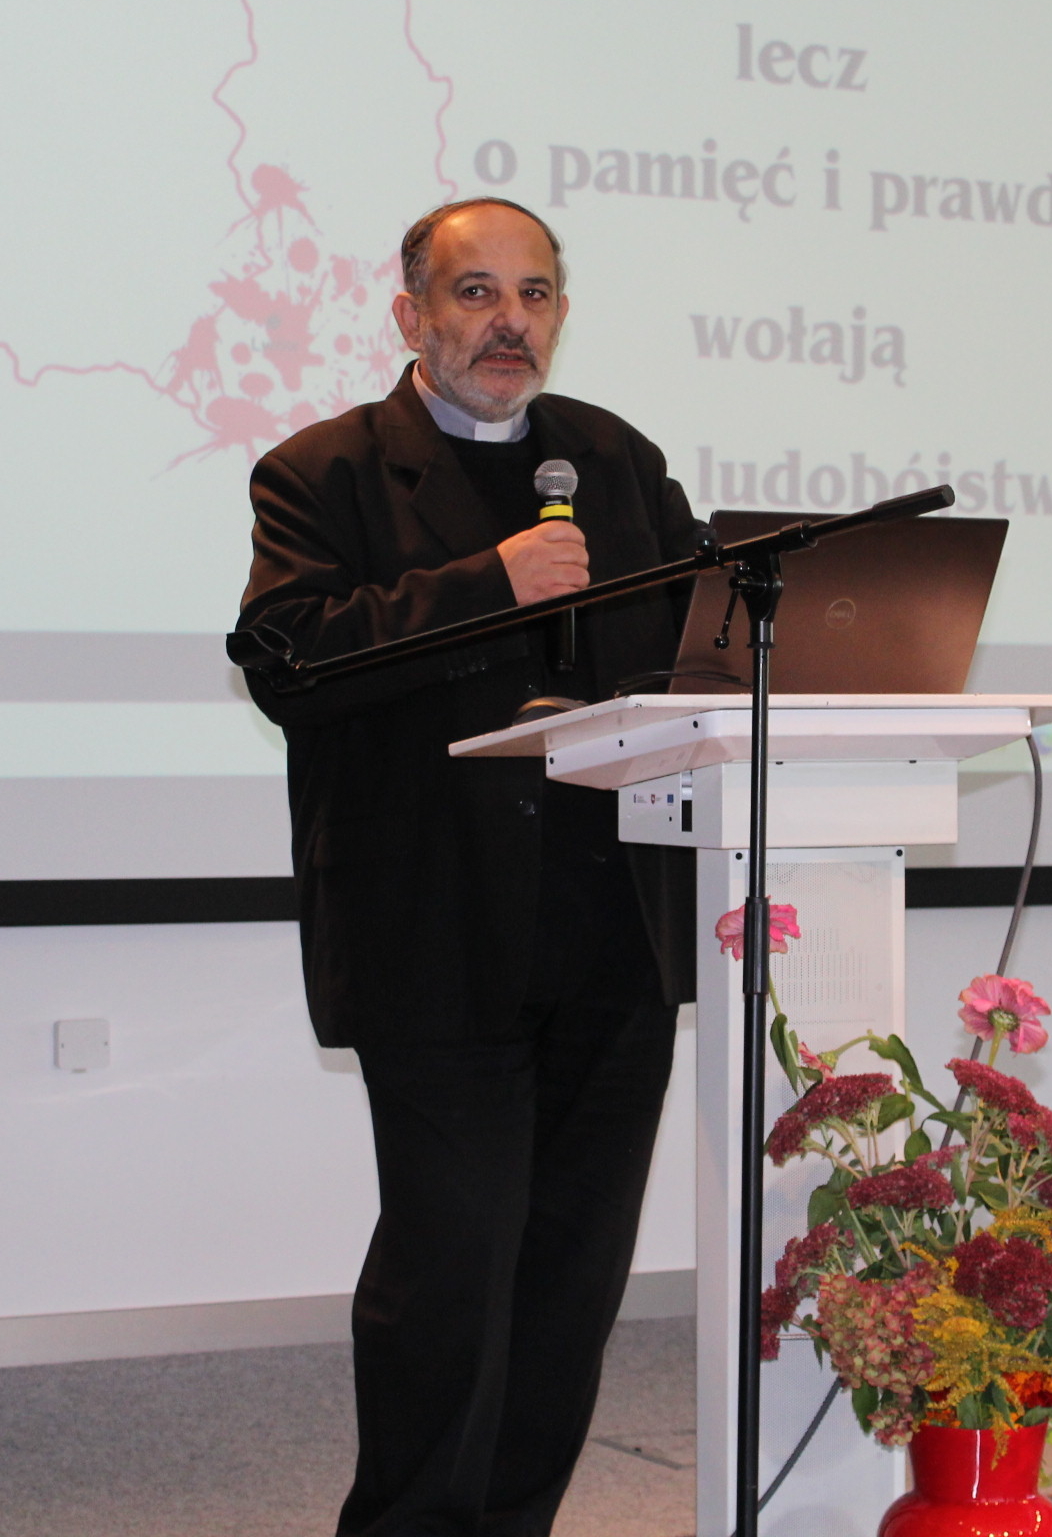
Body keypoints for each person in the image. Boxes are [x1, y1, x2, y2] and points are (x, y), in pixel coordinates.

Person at [234, 197, 702, 1536]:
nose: (510, 323)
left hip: (612, 938)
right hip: (435, 941)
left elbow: (696, 647)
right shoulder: (323, 472)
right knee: (448, 1277)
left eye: (534, 294)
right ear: (412, 314)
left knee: (569, 1283)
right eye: (476, 292)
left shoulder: (615, 461)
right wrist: (490, 581)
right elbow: (289, 661)